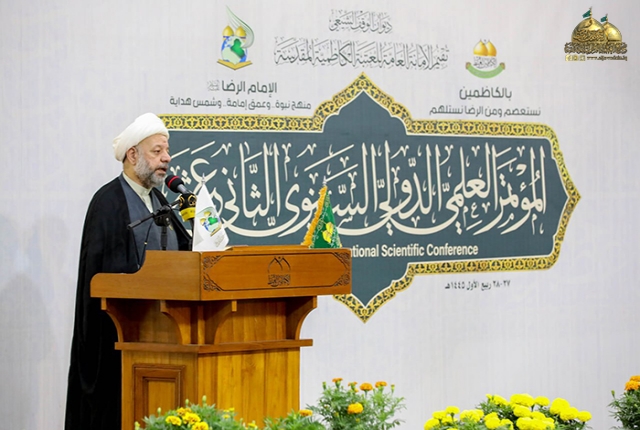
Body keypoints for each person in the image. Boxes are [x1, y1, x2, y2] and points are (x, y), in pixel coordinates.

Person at [64, 113, 191, 430]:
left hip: (167, 334)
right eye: (157, 151)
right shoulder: (108, 202)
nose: (166, 158)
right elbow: (102, 276)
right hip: (120, 339)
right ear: (132, 155)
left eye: (167, 150)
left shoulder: (160, 200)